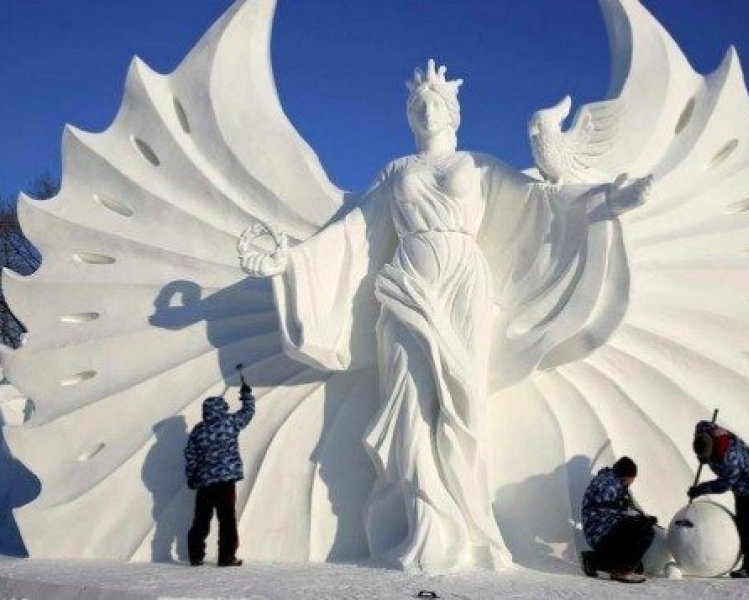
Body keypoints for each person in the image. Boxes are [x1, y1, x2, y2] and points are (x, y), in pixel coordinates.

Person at [239, 59, 652, 571]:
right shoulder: (396, 171)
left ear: (454, 112)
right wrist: (291, 261)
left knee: (465, 406)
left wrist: (608, 199)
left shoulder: (477, 166)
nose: (428, 110)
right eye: (419, 105)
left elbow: (538, 203)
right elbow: (352, 233)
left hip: (463, 285)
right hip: (406, 282)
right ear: (411, 116)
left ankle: (472, 529)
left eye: (437, 102)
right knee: (408, 407)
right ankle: (422, 529)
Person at [689, 420, 749, 579]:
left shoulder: (729, 459)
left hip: (748, 481)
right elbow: (701, 424)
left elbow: (723, 485)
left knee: (746, 524)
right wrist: (703, 457)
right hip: (747, 468)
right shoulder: (703, 429)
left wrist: (700, 489)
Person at [184, 381, 255, 567]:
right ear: (222, 409)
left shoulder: (198, 431)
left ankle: (195, 556)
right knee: (227, 520)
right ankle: (226, 557)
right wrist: (246, 395)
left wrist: (191, 477)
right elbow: (247, 413)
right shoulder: (230, 423)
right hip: (225, 481)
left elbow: (190, 456)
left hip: (204, 483)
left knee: (201, 519)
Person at [581, 456, 657, 584]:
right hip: (602, 533)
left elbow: (625, 507)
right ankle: (621, 571)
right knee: (646, 533)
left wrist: (642, 517)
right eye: (632, 479)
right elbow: (615, 507)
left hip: (600, 532)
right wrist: (641, 520)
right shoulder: (609, 484)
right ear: (626, 475)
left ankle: (593, 560)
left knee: (636, 565)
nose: (632, 482)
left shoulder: (612, 481)